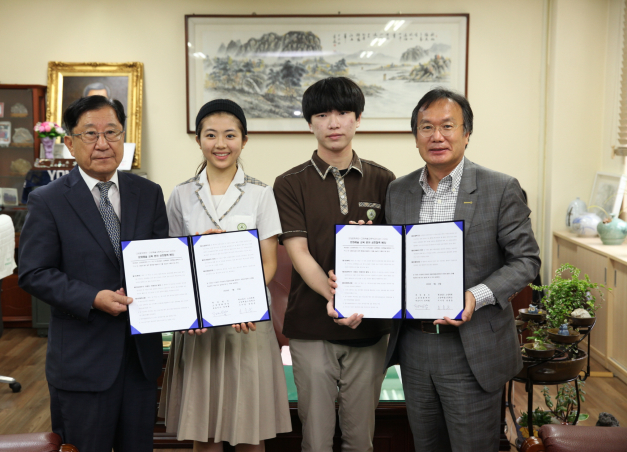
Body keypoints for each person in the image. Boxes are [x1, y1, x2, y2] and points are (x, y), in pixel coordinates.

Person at [330, 87, 540, 452]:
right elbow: (395, 262)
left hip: (471, 347)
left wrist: (476, 295)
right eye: (426, 127)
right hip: (415, 346)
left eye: (447, 126)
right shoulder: (399, 190)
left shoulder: (500, 188)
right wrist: (361, 266)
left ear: (467, 133)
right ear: (415, 137)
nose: (437, 136)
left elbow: (526, 261)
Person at [18, 95, 168, 452]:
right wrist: (92, 298)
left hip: (140, 360)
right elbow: (34, 272)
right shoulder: (48, 199)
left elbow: (163, 261)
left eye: (112, 132)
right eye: (90, 134)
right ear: (70, 143)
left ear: (123, 138)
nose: (103, 144)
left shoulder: (148, 193)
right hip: (82, 364)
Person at [158, 99, 291, 452]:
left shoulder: (262, 194)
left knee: (250, 430)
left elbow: (269, 263)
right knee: (205, 432)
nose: (221, 144)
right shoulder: (182, 195)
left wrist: (237, 304)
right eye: (211, 135)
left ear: (244, 140)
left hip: (246, 321)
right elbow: (174, 260)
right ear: (198, 139)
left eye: (230, 135)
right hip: (199, 327)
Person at [273, 77, 396, 452]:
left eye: (343, 112)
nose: (334, 122)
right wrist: (335, 298)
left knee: (361, 439)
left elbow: (393, 255)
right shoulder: (289, 183)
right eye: (322, 114)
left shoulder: (385, 180)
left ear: (358, 119)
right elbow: (298, 253)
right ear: (310, 123)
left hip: (369, 328)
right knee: (316, 439)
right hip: (311, 327)